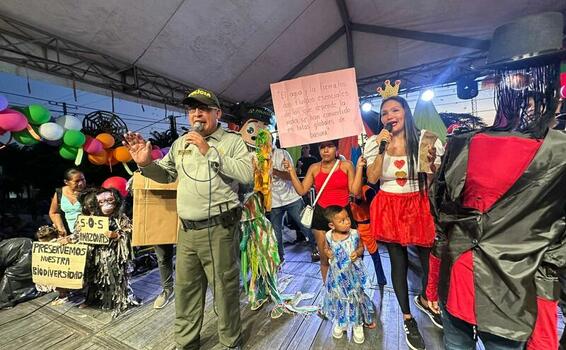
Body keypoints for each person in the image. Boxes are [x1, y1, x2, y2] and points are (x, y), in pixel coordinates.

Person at [426, 12, 566, 350]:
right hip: (512, 300)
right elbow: (556, 250)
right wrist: (544, 327)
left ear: (500, 84)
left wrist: (432, 284)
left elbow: (443, 226)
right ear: (548, 86)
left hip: (458, 282)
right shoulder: (558, 155)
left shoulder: (462, 145)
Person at [123, 88, 252, 350]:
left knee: (224, 290)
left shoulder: (232, 141)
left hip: (219, 229)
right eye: (192, 109)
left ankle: (230, 341)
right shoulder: (181, 143)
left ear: (217, 113)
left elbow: (246, 174)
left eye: (202, 109)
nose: (196, 114)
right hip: (186, 232)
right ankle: (186, 342)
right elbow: (167, 175)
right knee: (185, 290)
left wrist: (209, 150)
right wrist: (147, 165)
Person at [364, 94, 444, 350]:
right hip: (389, 205)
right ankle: (408, 319)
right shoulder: (375, 143)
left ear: (406, 112)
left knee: (428, 260)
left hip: (418, 203)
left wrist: (432, 166)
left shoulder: (425, 139)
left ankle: (427, 297)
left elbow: (431, 182)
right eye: (385, 113)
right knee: (398, 263)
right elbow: (373, 178)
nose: (389, 116)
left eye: (395, 110)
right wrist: (380, 149)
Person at [283, 139, 363, 283]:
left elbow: (355, 191)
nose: (325, 150)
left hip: (343, 215)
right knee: (325, 258)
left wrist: (360, 168)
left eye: (330, 146)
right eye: (322, 147)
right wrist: (291, 172)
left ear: (336, 149)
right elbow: (301, 190)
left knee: (349, 255)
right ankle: (329, 292)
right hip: (321, 215)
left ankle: (350, 291)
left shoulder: (346, 165)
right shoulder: (314, 167)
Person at [321, 205, 375, 344]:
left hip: (353, 275)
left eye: (347, 218)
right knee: (339, 298)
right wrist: (328, 253)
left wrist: (357, 253)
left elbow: (361, 248)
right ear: (332, 225)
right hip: (337, 276)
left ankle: (357, 323)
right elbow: (325, 248)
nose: (347, 222)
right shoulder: (328, 235)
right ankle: (342, 322)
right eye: (342, 221)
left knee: (355, 298)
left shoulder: (355, 234)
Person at [271, 143, 319, 262]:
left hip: (292, 198)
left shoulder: (282, 154)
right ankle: (280, 259)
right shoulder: (257, 157)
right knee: (276, 233)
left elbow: (291, 176)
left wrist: (274, 171)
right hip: (273, 202)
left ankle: (315, 250)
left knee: (305, 226)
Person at [48, 168, 86, 237]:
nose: (81, 183)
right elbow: (54, 212)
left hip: (85, 234)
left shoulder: (89, 193)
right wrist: (60, 228)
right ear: (66, 182)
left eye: (83, 179)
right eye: (77, 181)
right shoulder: (59, 193)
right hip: (67, 233)